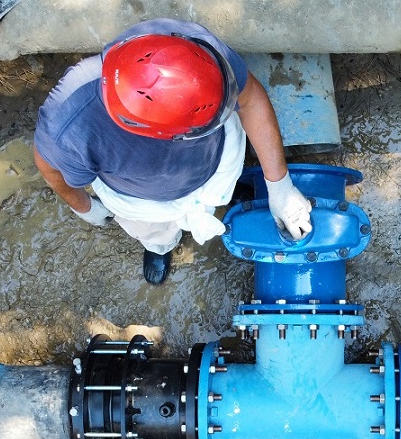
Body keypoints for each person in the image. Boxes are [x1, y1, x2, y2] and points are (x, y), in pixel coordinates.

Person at [34, 18, 313, 285]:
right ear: (163, 135)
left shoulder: (189, 50)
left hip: (213, 161)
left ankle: (227, 195)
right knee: (154, 230)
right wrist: (83, 206)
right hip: (143, 200)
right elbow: (48, 166)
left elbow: (250, 99)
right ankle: (161, 245)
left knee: (225, 187)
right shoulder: (71, 124)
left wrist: (279, 184)